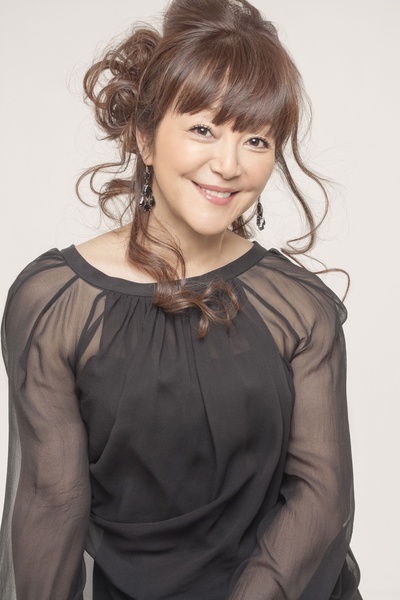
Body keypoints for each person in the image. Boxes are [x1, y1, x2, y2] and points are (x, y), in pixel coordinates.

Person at [0, 0, 362, 598]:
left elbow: (321, 497)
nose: (229, 164)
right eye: (202, 129)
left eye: (255, 139)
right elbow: (50, 501)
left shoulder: (299, 309)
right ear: (144, 137)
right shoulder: (55, 303)